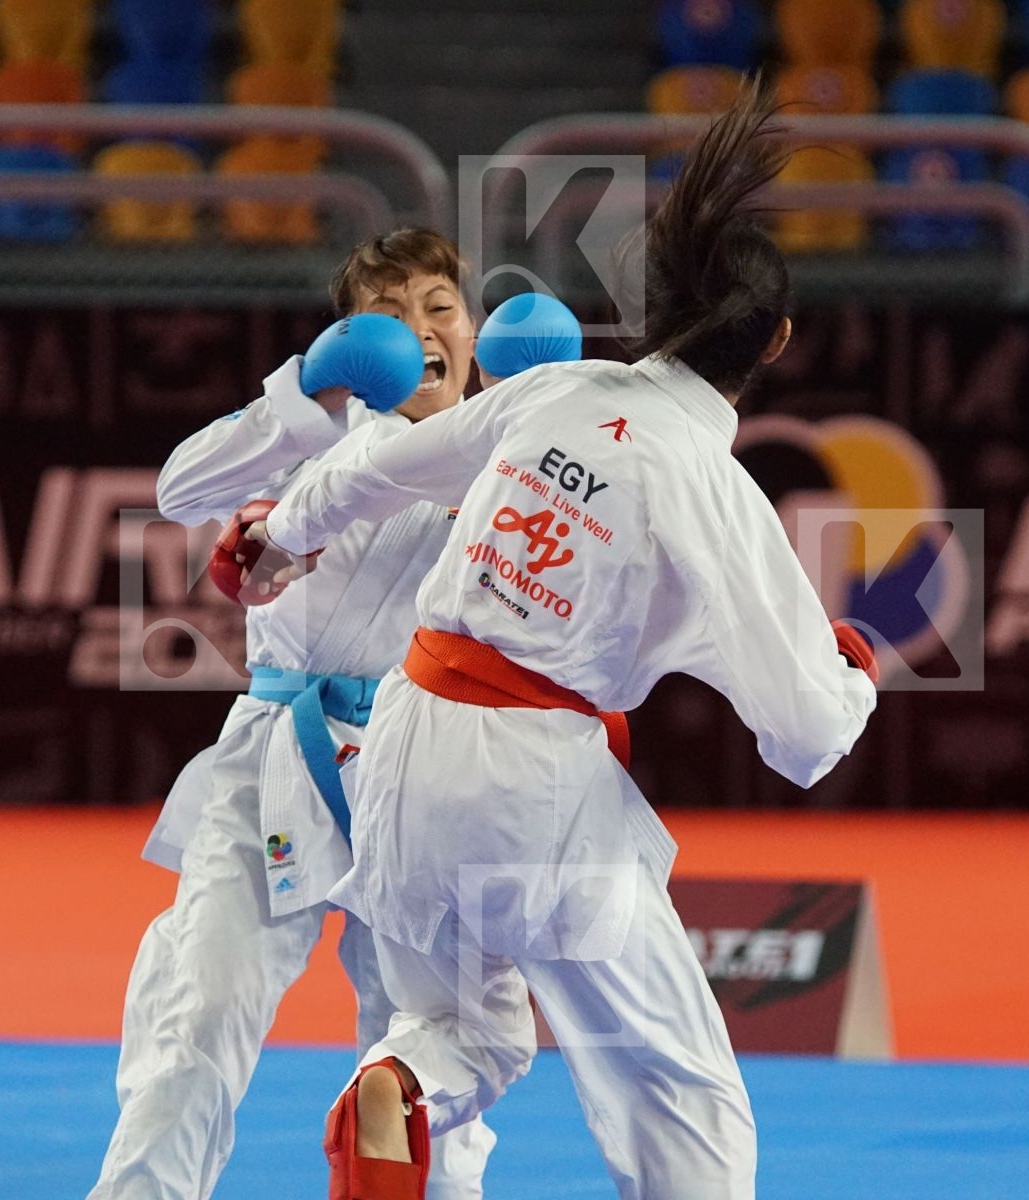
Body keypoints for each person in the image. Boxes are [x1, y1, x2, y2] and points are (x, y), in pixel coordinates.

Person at [253, 84, 882, 1200]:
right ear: (775, 342)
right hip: (531, 788)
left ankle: (396, 1078)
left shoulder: (549, 395)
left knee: (456, 1032)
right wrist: (853, 673)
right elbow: (805, 733)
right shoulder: (714, 488)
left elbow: (370, 469)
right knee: (679, 1098)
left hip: (403, 745)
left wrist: (275, 533)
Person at [91, 230, 580, 1200]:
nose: (421, 331)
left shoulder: (524, 455)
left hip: (428, 771)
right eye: (389, 317)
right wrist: (309, 395)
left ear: (474, 328)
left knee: (423, 1051)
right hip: (278, 756)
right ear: (353, 343)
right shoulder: (320, 438)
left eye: (439, 305)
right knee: (199, 1013)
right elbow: (180, 489)